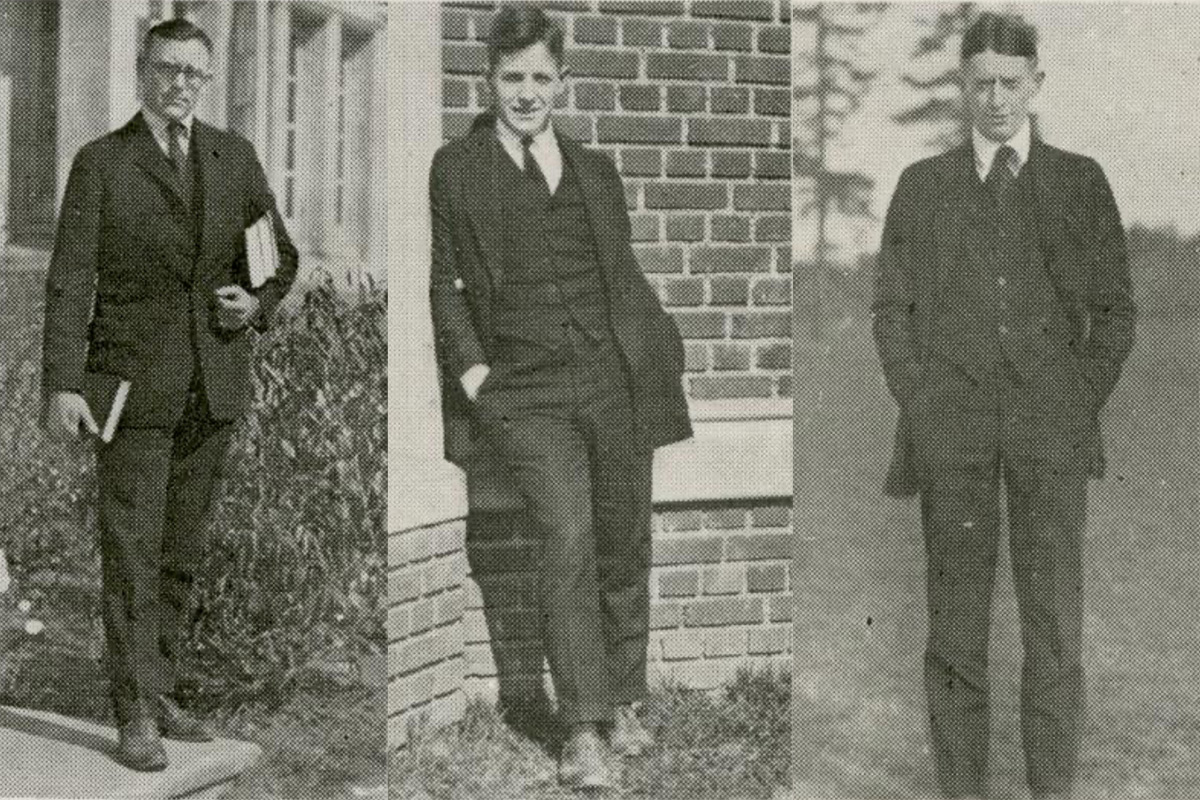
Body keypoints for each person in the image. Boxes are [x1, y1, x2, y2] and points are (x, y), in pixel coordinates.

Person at [428, 4, 691, 790]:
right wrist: (476, 377)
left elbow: (623, 279)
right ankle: (580, 727)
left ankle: (624, 699)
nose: (527, 92)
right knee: (568, 537)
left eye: (542, 77)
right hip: (527, 391)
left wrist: (655, 353)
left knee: (623, 536)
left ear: (563, 83)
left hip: (612, 380)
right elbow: (445, 283)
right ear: (489, 80)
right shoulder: (457, 166)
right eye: (513, 77)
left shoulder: (596, 170)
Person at [872, 12, 1135, 799]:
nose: (994, 99)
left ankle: (1051, 789)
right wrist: (923, 405)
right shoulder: (924, 188)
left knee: (1053, 627)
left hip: (1049, 438)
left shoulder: (1079, 183)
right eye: (980, 83)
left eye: (1009, 84)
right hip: (951, 438)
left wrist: (1074, 401)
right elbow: (891, 312)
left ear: (1036, 86)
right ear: (963, 86)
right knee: (956, 633)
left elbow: (1116, 314)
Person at [40, 18, 297, 771]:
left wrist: (256, 305)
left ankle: (158, 688)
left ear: (205, 80)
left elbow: (276, 257)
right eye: (166, 69)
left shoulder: (234, 158)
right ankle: (131, 713)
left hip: (211, 388)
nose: (179, 83)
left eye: (192, 72)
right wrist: (62, 383)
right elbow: (68, 281)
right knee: (130, 551)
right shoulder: (102, 164)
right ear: (141, 71)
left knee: (179, 551)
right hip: (130, 391)